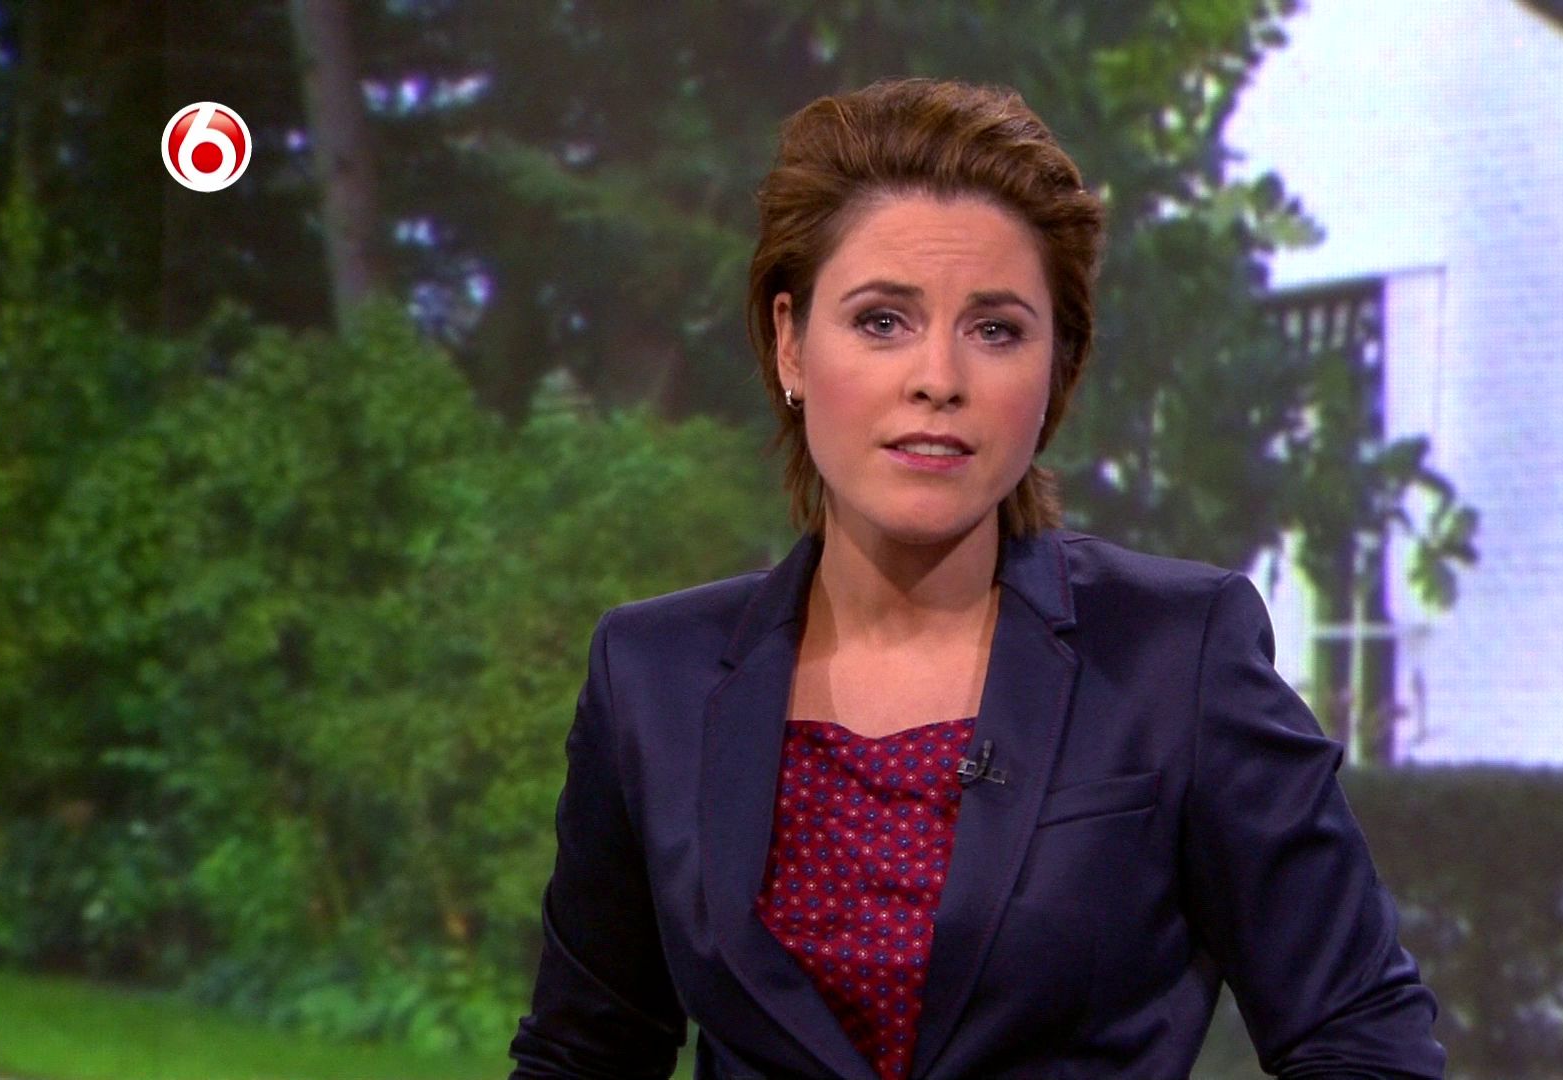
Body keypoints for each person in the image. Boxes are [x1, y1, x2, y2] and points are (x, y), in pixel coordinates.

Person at [508, 77, 1445, 1080]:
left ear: (1056, 368)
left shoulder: (1177, 653)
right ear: (790, 343)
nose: (939, 379)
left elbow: (1361, 1035)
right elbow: (584, 1053)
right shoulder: (653, 673)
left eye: (996, 330)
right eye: (882, 321)